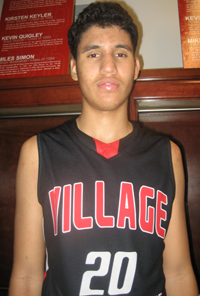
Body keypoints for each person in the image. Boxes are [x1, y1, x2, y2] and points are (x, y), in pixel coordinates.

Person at [9, 2, 198, 296]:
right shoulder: (37, 153)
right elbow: (26, 276)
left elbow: (178, 272)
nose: (108, 66)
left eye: (120, 53)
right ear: (74, 68)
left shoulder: (167, 154)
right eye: (93, 53)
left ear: (135, 67)